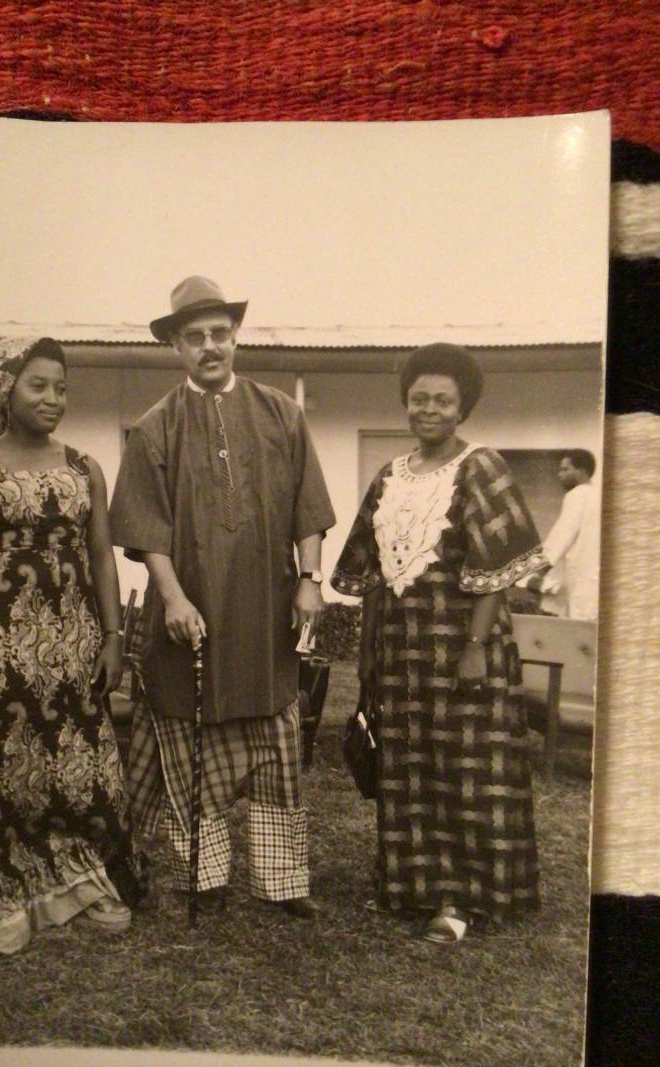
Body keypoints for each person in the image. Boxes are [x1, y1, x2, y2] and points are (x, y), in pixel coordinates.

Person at [109, 276, 335, 919]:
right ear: (176, 347)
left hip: (265, 615)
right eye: (194, 337)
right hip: (193, 615)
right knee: (188, 740)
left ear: (235, 337)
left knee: (275, 738)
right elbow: (147, 530)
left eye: (219, 334)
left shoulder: (280, 414)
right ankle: (203, 876)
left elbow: (308, 508)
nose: (210, 346)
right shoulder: (155, 428)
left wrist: (310, 579)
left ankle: (283, 882)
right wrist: (174, 598)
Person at [0, 336, 146, 954]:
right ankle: (17, 886)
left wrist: (111, 637)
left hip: (75, 644)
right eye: (37, 385)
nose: (53, 399)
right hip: (6, 646)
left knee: (82, 762)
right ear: (4, 391)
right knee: (9, 766)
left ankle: (85, 878)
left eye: (61, 387)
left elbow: (100, 557)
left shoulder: (83, 467)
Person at [332, 343, 547, 943]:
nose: (429, 408)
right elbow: (372, 573)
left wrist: (476, 645)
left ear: (463, 409)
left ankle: (461, 899)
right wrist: (367, 656)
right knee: (406, 766)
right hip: (402, 653)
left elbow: (499, 569)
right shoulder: (389, 477)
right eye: (419, 398)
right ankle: (410, 886)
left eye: (443, 400)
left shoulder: (482, 466)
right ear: (406, 403)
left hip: (462, 649)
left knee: (468, 769)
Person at [523, 450, 600, 620]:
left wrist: (538, 574)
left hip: (583, 581)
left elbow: (560, 538)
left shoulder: (577, 495)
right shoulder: (598, 496)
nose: (560, 475)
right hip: (595, 579)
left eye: (565, 469)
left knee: (580, 630)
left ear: (581, 471)